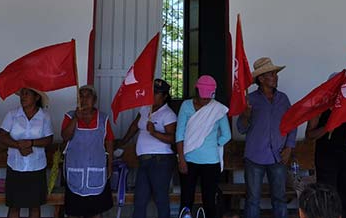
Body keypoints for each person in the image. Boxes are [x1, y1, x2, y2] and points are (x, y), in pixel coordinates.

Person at [237, 57, 296, 218]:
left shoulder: (283, 99)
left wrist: (289, 147)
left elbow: (292, 123)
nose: (276, 77)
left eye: (276, 74)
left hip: (278, 157)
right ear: (261, 79)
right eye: (271, 74)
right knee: (253, 200)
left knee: (280, 199)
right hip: (254, 157)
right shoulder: (250, 100)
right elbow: (241, 129)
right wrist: (246, 115)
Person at [305, 75, 346, 218]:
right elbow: (309, 135)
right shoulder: (320, 107)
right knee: (328, 199)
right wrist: (327, 127)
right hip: (326, 159)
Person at [116, 79, 177, 218]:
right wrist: (123, 141)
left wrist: (154, 132)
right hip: (144, 161)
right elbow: (134, 126)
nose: (153, 95)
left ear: (165, 96)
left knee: (161, 200)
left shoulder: (168, 114)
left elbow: (172, 139)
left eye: (157, 93)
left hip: (160, 161)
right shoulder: (145, 108)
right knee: (140, 201)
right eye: (152, 92)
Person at [176, 75, 232, 218]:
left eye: (208, 98)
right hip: (188, 159)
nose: (206, 100)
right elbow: (179, 134)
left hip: (210, 161)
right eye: (203, 97)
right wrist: (181, 158)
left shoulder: (217, 109)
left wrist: (213, 143)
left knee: (209, 201)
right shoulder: (186, 105)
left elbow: (227, 135)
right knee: (187, 199)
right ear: (196, 91)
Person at [0, 87, 54, 218]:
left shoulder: (44, 116)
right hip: (15, 167)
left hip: (37, 167)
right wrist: (19, 145)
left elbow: (49, 139)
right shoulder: (12, 115)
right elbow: (1, 136)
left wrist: (31, 143)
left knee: (35, 206)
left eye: (27, 94)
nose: (22, 96)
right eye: (21, 94)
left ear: (37, 97)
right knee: (14, 206)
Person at [61, 85, 114, 218]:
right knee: (74, 212)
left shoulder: (103, 118)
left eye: (88, 96)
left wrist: (110, 165)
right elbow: (65, 136)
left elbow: (109, 142)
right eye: (81, 96)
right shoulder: (69, 116)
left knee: (95, 212)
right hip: (75, 171)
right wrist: (75, 119)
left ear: (94, 99)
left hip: (96, 172)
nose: (84, 99)